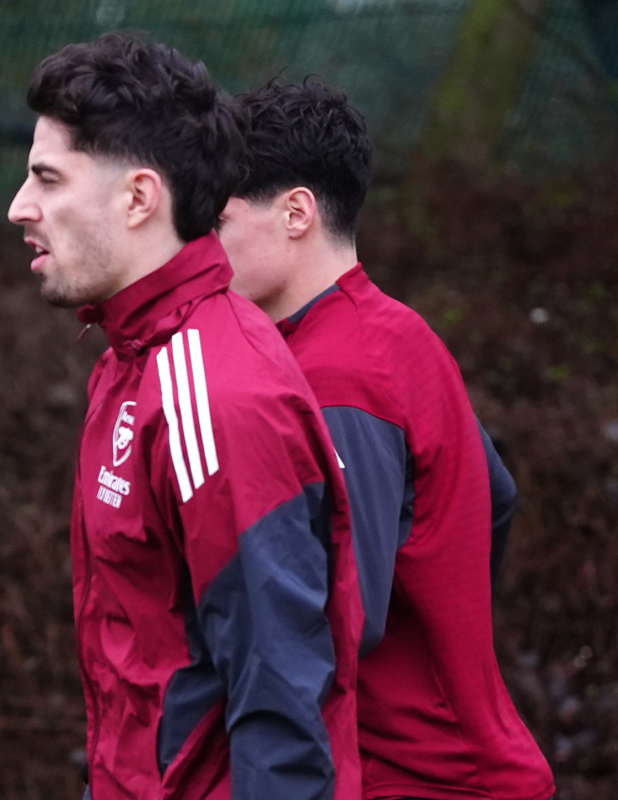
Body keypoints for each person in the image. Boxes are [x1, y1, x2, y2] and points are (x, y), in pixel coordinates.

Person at [7, 33, 363, 799]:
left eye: (46, 178)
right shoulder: (130, 361)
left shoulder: (218, 396)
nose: (19, 208)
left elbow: (281, 704)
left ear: (139, 198)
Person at [218, 77, 555, 800]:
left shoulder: (335, 375)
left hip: (423, 779)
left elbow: (341, 618)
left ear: (297, 212)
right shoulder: (395, 332)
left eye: (219, 220)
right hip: (469, 764)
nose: (207, 250)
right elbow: (497, 498)